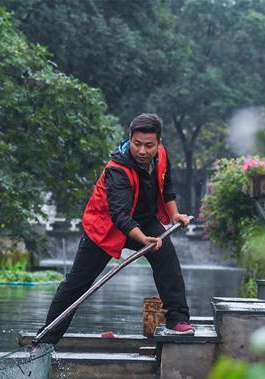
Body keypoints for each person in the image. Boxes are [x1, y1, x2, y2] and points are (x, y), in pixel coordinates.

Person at [41, 113, 194, 345]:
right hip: (106, 228)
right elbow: (120, 216)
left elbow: (167, 187)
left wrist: (174, 215)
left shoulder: (161, 156)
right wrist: (144, 240)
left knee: (167, 260)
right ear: (129, 139)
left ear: (159, 143)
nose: (142, 151)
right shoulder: (117, 170)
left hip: (144, 219)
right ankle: (45, 341)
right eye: (137, 144)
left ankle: (177, 319)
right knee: (77, 283)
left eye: (149, 145)